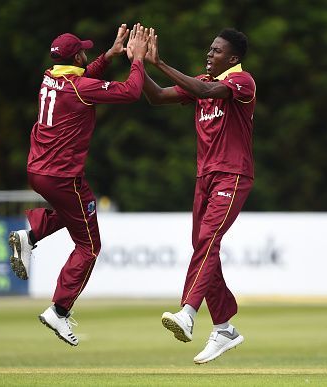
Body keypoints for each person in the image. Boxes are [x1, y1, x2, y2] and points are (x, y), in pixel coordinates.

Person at [8, 24, 149, 347]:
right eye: (84, 51)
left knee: (80, 211)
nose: (87, 54)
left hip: (39, 170)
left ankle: (30, 235)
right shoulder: (78, 87)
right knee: (89, 247)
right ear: (77, 56)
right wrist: (137, 60)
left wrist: (109, 56)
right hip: (62, 176)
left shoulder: (50, 77)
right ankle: (59, 309)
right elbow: (131, 92)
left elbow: (84, 78)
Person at [128, 25, 256, 364]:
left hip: (233, 174)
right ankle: (225, 328)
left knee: (207, 241)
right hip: (205, 178)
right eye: (209, 49)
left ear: (233, 57)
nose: (209, 54)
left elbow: (204, 89)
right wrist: (138, 64)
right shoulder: (201, 81)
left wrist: (159, 62)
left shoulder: (242, 82)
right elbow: (156, 97)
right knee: (204, 244)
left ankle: (187, 312)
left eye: (216, 51)